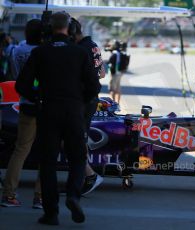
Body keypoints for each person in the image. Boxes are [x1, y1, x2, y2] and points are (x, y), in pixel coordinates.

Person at [15, 11, 100, 225]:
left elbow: (21, 85)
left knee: (48, 163)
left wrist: (38, 98)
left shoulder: (41, 53)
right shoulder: (80, 53)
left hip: (48, 111)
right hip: (73, 112)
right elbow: (94, 86)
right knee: (78, 158)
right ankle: (73, 195)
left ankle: (51, 213)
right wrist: (80, 101)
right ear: (70, 30)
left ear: (49, 29)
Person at [1, 19, 43, 209]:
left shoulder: (16, 50)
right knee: (46, 153)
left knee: (20, 150)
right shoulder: (45, 51)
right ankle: (40, 196)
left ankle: (9, 193)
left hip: (24, 102)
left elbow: (14, 74)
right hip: (45, 105)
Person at [70, 17, 104, 195]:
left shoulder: (81, 48)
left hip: (84, 100)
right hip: (92, 98)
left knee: (76, 140)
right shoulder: (93, 44)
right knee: (77, 139)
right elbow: (103, 73)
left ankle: (89, 176)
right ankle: (84, 175)